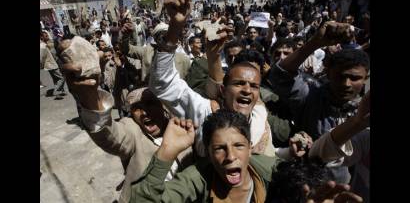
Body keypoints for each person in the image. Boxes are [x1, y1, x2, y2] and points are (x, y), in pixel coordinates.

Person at [148, 0, 276, 158]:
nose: (247, 90)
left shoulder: (261, 120)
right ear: (223, 90)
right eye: (239, 84)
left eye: (253, 86)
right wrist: (175, 27)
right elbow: (163, 84)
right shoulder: (205, 112)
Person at [129, 109, 362, 203]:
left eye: (239, 146)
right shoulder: (196, 179)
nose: (231, 156)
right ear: (208, 153)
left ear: (250, 148)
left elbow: (310, 164)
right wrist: (166, 153)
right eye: (219, 148)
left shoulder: (270, 171)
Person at [59, 43, 193, 203]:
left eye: (150, 103)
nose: (144, 112)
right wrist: (89, 96)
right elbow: (111, 135)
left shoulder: (183, 126)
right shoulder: (132, 130)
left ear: (162, 106)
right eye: (137, 108)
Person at [268, 21, 370, 184]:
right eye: (340, 76)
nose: (346, 84)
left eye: (355, 78)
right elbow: (280, 76)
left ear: (365, 78)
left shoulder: (364, 111)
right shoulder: (311, 95)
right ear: (328, 74)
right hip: (305, 185)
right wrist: (315, 43)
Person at [40, 31, 66, 99]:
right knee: (62, 77)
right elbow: (41, 58)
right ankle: (56, 91)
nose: (47, 37)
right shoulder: (42, 46)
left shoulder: (46, 44)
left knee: (56, 79)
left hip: (52, 63)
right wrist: (42, 65)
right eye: (46, 36)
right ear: (41, 37)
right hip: (50, 65)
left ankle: (60, 92)